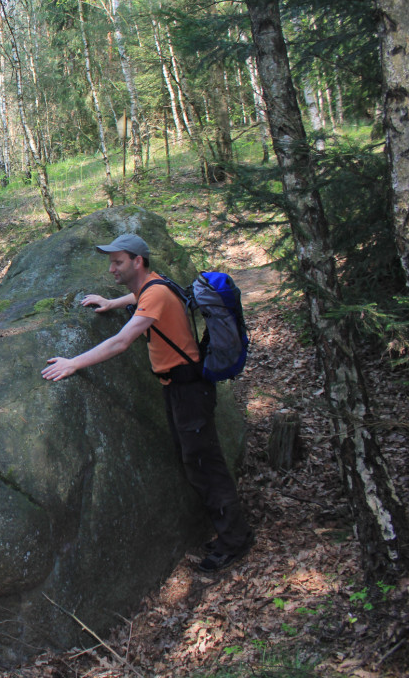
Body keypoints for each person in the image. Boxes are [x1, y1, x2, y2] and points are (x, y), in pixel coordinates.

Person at [40, 234, 254, 573]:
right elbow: (141, 298)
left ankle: (235, 540)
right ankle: (231, 533)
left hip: (189, 392)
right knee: (197, 462)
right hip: (180, 388)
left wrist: (74, 363)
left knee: (205, 467)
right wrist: (112, 302)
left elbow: (122, 341)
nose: (111, 268)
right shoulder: (153, 286)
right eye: (111, 262)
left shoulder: (154, 293)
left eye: (118, 262)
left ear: (137, 261)